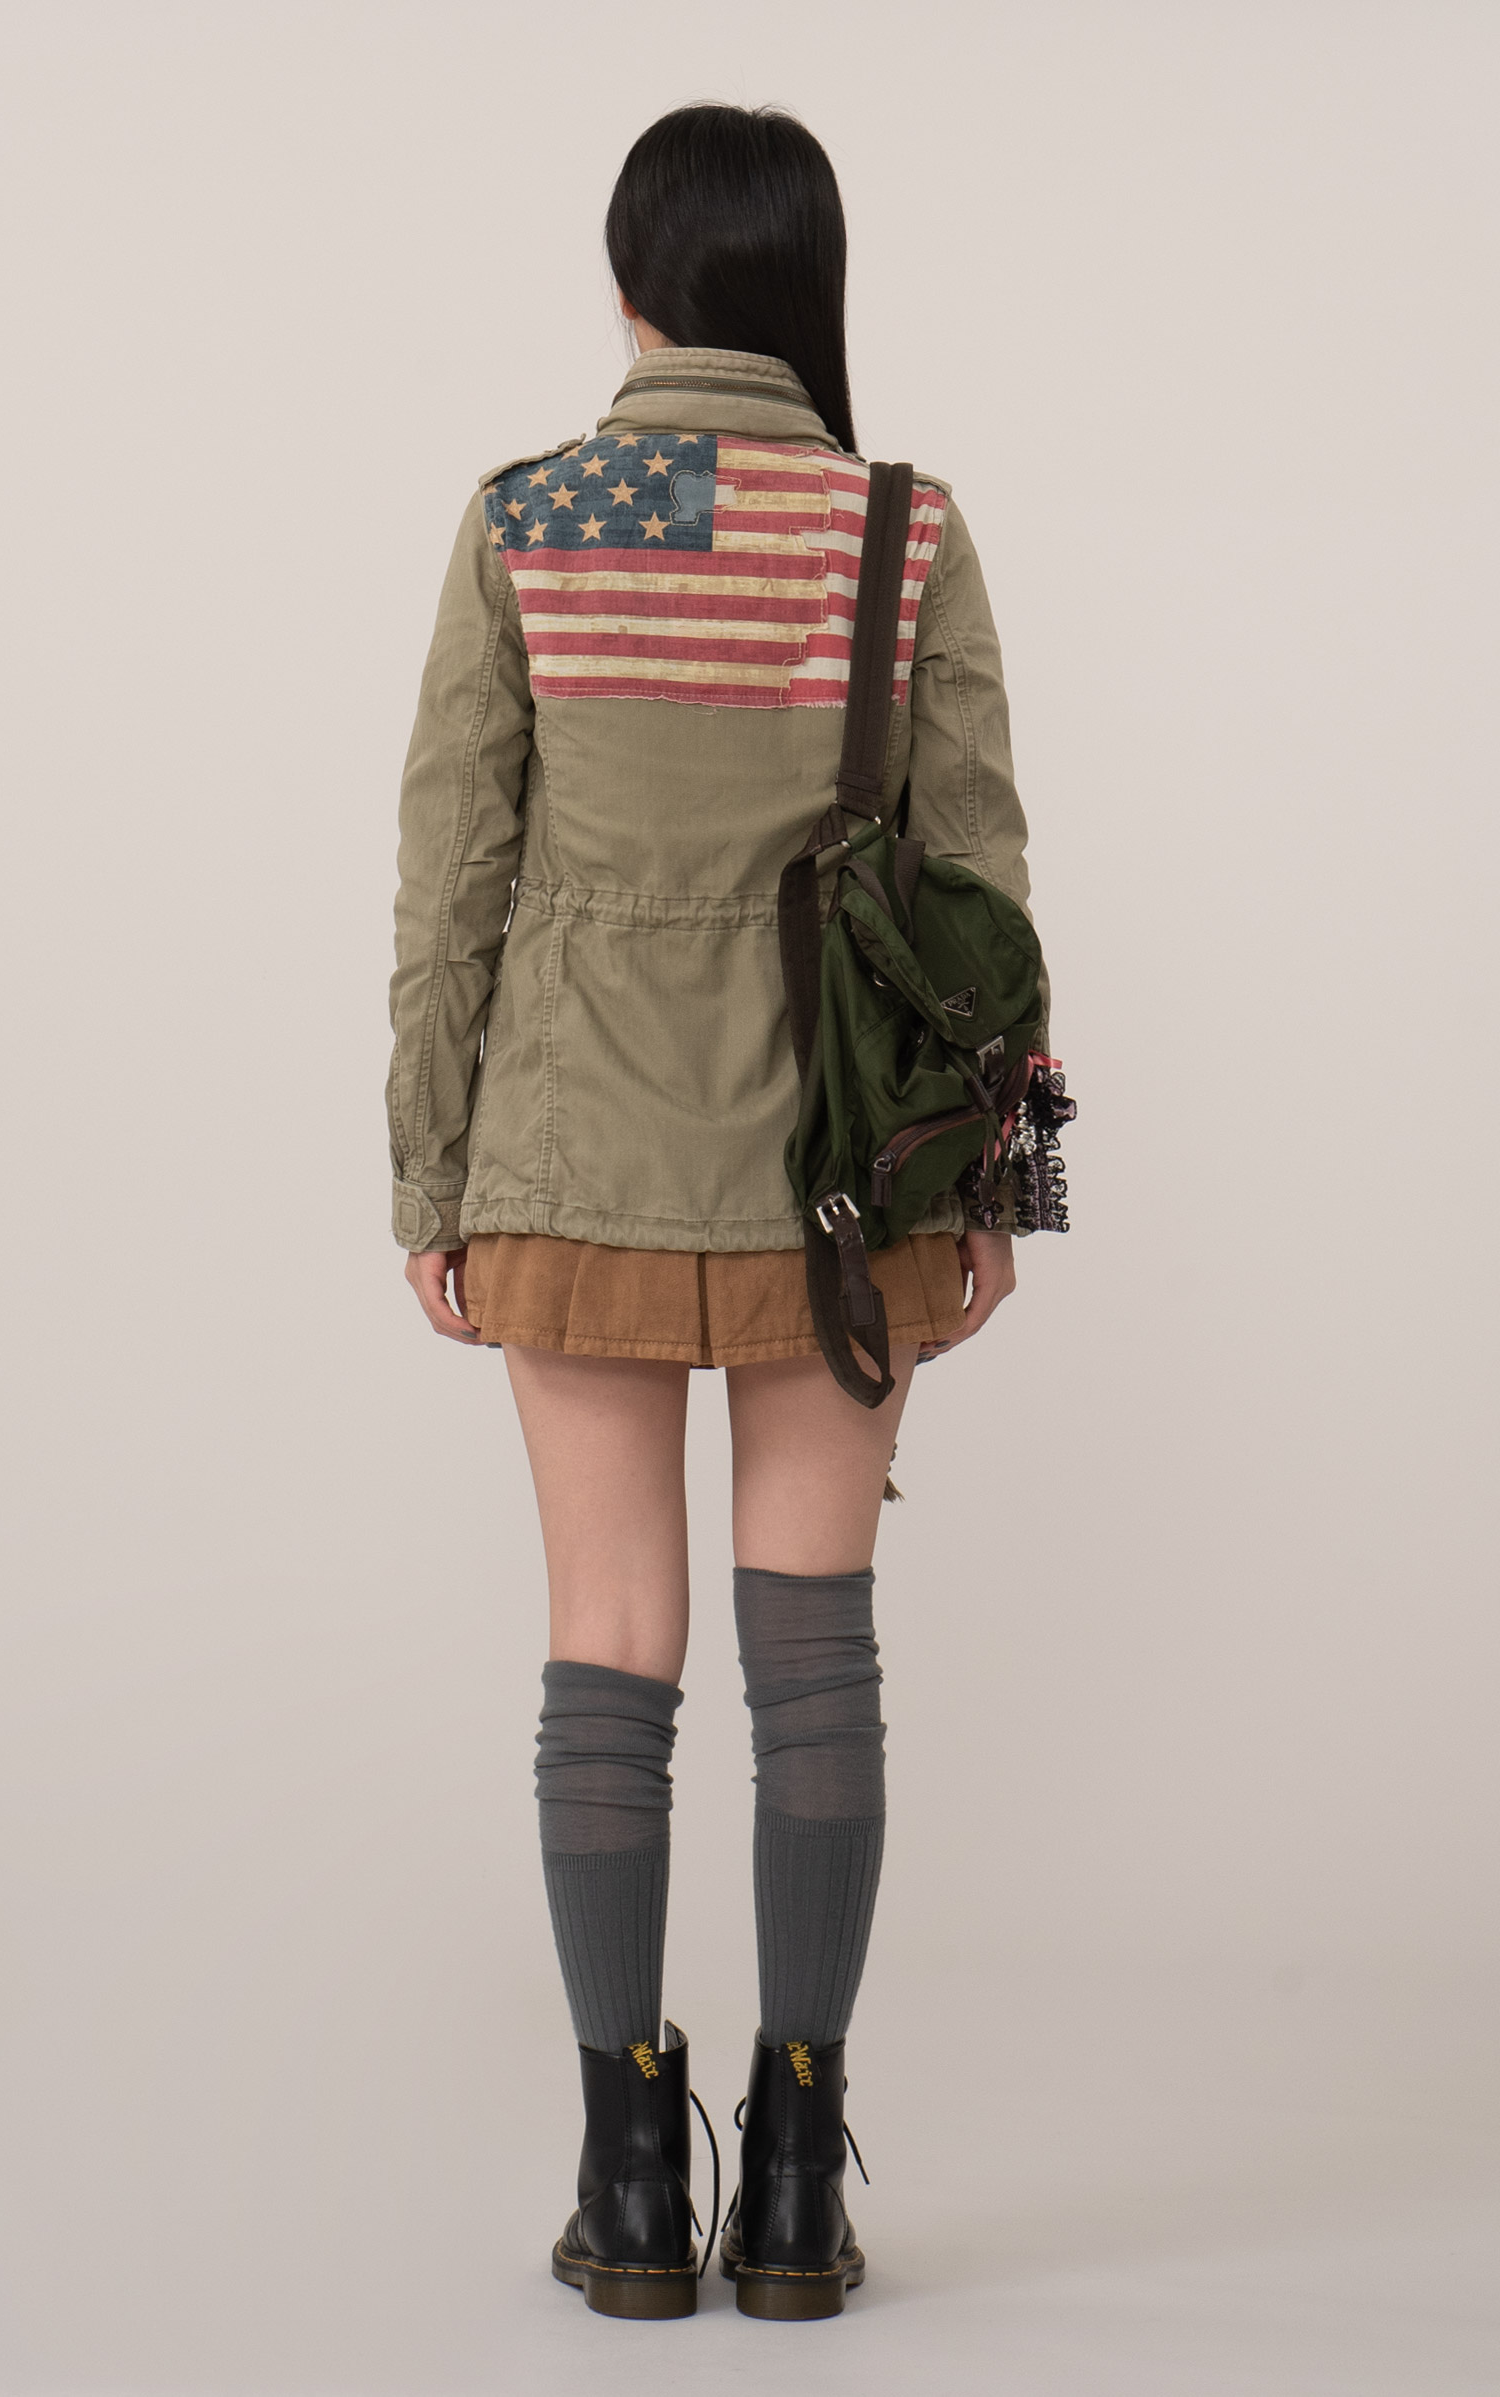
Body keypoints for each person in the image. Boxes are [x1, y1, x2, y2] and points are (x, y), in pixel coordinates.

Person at [387, 103, 1045, 2322]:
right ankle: (792, 2185)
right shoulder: (900, 530)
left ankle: (625, 2175)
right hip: (839, 1185)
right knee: (815, 1655)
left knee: (608, 1651)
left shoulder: (528, 522)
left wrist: (430, 1164)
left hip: (568, 1154)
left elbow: (451, 882)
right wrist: (992, 1178)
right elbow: (975, 883)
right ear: (806, 290)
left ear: (631, 288)